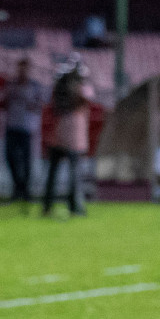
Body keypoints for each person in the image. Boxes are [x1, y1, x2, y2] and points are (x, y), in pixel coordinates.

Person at [43, 59, 95, 217]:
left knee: (55, 172)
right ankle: (73, 206)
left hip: (60, 135)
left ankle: (48, 205)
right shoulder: (75, 89)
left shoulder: (61, 88)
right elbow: (88, 96)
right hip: (72, 137)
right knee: (73, 173)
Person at [2, 57, 45, 206]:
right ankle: (17, 186)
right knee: (10, 157)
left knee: (26, 161)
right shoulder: (11, 84)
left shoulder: (34, 86)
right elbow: (3, 103)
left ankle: (25, 191)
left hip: (27, 127)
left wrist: (28, 103)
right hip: (12, 125)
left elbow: (39, 105)